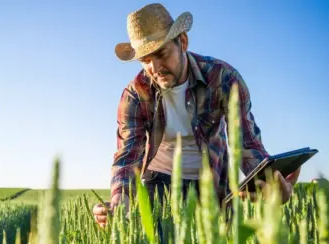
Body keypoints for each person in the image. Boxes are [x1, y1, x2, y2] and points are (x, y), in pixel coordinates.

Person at [92, 3, 301, 229]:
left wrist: (268, 180)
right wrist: (118, 204)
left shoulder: (223, 78)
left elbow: (246, 143)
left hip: (212, 183)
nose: (154, 67)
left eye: (161, 53)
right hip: (159, 182)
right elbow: (127, 157)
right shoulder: (134, 95)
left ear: (182, 42)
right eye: (145, 60)